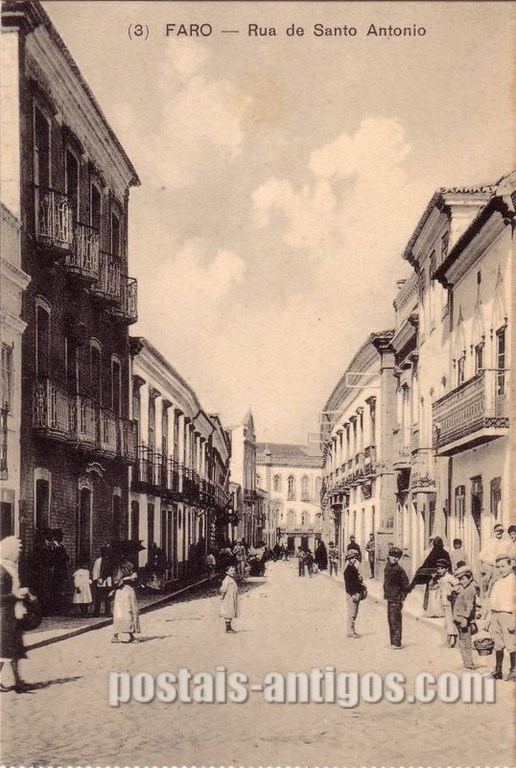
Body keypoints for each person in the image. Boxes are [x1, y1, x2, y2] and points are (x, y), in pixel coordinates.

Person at [0, 537, 30, 692]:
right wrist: (15, 596)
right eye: (17, 550)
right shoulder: (2, 569)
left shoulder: (11, 567)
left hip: (14, 614)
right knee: (4, 650)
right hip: (4, 616)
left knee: (16, 649)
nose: (19, 552)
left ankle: (18, 681)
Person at [487, 555, 515, 680]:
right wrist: (489, 618)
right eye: (498, 567)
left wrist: (514, 620)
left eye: (503, 566)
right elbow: (492, 601)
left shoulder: (513, 581)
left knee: (511, 644)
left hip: (508, 615)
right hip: (495, 614)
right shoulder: (497, 582)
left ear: (511, 566)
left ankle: (513, 670)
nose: (501, 569)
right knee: (498, 644)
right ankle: (498, 670)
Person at [410, 536, 451, 610]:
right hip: (443, 576)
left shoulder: (433, 553)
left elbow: (426, 565)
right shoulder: (445, 553)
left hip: (434, 577)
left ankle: (429, 607)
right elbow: (449, 565)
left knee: (432, 592)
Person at [383, 546, 410, 649]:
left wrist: (401, 597)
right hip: (390, 598)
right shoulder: (388, 567)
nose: (394, 558)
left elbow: (406, 585)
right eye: (392, 556)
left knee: (395, 621)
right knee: (391, 620)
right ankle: (393, 642)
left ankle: (397, 643)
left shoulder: (400, 570)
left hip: (396, 599)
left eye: (397, 557)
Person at [452, 564, 478, 669]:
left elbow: (470, 606)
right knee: (462, 641)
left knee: (465, 643)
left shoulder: (470, 590)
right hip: (460, 619)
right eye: (459, 579)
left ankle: (469, 663)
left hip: (464, 620)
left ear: (469, 577)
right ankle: (466, 662)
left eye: (463, 579)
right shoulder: (466, 588)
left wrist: (465, 618)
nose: (461, 581)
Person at [478, 523, 512, 599]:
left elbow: (509, 555)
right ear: (494, 532)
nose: (499, 533)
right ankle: (484, 599)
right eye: (497, 531)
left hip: (498, 568)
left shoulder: (506, 543)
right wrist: (480, 567)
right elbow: (481, 556)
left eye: (501, 531)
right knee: (485, 582)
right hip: (488, 566)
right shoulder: (489, 542)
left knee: (497, 584)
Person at [111, 557, 141, 643]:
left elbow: (135, 577)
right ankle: (117, 635)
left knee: (129, 611)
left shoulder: (126, 564)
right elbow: (117, 581)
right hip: (123, 591)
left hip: (128, 590)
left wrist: (132, 577)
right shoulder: (119, 567)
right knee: (126, 612)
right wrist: (128, 578)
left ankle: (128, 635)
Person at [435, 558, 459, 647]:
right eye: (438, 568)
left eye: (441, 568)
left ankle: (452, 641)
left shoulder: (450, 577)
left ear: (446, 569)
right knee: (448, 621)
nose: (439, 570)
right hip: (445, 602)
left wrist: (451, 591)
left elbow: (458, 585)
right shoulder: (442, 578)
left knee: (451, 621)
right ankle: (452, 640)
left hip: (450, 602)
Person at [343, 551, 364, 638]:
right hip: (353, 594)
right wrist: (354, 594)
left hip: (354, 593)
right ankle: (351, 631)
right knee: (352, 613)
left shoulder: (352, 568)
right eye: (353, 558)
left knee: (353, 613)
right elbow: (349, 585)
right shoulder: (349, 570)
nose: (354, 559)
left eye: (355, 558)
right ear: (349, 559)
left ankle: (351, 630)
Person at [92, 547, 113, 616]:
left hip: (107, 581)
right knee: (98, 598)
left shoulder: (109, 561)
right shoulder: (98, 561)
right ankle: (96, 612)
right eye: (105, 552)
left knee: (108, 597)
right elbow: (95, 571)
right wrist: (96, 579)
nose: (106, 554)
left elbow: (111, 571)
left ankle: (107, 612)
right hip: (100, 581)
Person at [219, 564, 239, 633]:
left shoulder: (231, 579)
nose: (233, 572)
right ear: (227, 572)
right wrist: (222, 597)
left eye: (234, 570)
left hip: (231, 598)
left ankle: (229, 627)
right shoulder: (226, 580)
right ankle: (227, 629)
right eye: (231, 570)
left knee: (231, 611)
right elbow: (223, 589)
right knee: (228, 612)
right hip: (227, 599)